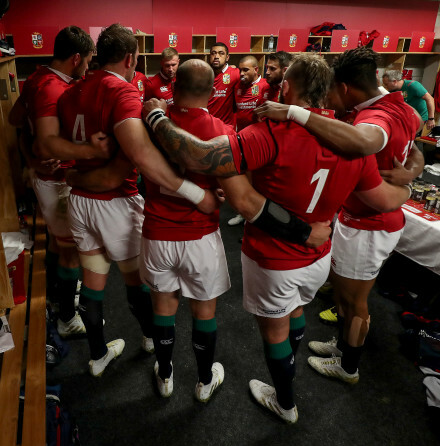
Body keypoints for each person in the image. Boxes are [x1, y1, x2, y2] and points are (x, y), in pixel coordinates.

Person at [143, 52, 412, 423]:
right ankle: (288, 377)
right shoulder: (352, 142)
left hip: (273, 257)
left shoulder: (268, 133)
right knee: (298, 311)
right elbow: (383, 199)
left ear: (285, 87)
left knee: (275, 331)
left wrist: (156, 116)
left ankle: (285, 401)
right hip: (319, 255)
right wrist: (409, 183)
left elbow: (201, 158)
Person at [47, 24, 217, 377]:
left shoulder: (69, 93)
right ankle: (152, 340)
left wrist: (75, 174)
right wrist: (193, 192)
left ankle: (97, 356)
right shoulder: (122, 92)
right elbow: (140, 155)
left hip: (81, 201)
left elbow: (56, 148)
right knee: (137, 283)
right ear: (130, 58)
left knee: (93, 283)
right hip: (115, 203)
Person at [254, 47, 423, 385]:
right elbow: (414, 145)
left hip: (369, 222)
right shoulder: (401, 108)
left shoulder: (377, 118)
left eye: (332, 91)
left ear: (344, 88)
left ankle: (349, 366)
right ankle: (345, 344)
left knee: (354, 301)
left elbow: (362, 142)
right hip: (374, 219)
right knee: (347, 299)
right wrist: (413, 171)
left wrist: (294, 113)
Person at [139, 59, 236, 401]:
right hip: (200, 238)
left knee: (163, 307)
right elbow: (233, 187)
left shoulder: (149, 121)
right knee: (204, 312)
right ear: (212, 92)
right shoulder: (222, 130)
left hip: (157, 233)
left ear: (174, 85)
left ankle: (165, 376)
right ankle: (204, 381)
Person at [8, 26, 102, 338]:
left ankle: (58, 295)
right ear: (76, 58)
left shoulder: (36, 76)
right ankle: (66, 318)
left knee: (58, 242)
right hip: (56, 180)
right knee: (70, 249)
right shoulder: (51, 87)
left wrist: (31, 159)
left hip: (45, 176)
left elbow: (15, 121)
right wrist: (88, 150)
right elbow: (46, 144)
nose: (88, 67)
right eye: (88, 60)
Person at [228, 55, 269, 227]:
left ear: (256, 69)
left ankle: (258, 215)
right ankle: (244, 213)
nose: (242, 73)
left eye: (246, 70)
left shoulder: (265, 86)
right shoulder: (237, 86)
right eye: (240, 69)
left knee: (258, 179)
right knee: (244, 176)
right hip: (242, 138)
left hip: (261, 140)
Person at [207, 42, 240, 127]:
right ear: (209, 56)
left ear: (227, 57)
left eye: (221, 53)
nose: (216, 57)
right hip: (208, 125)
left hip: (227, 127)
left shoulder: (236, 74)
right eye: (213, 53)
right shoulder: (203, 74)